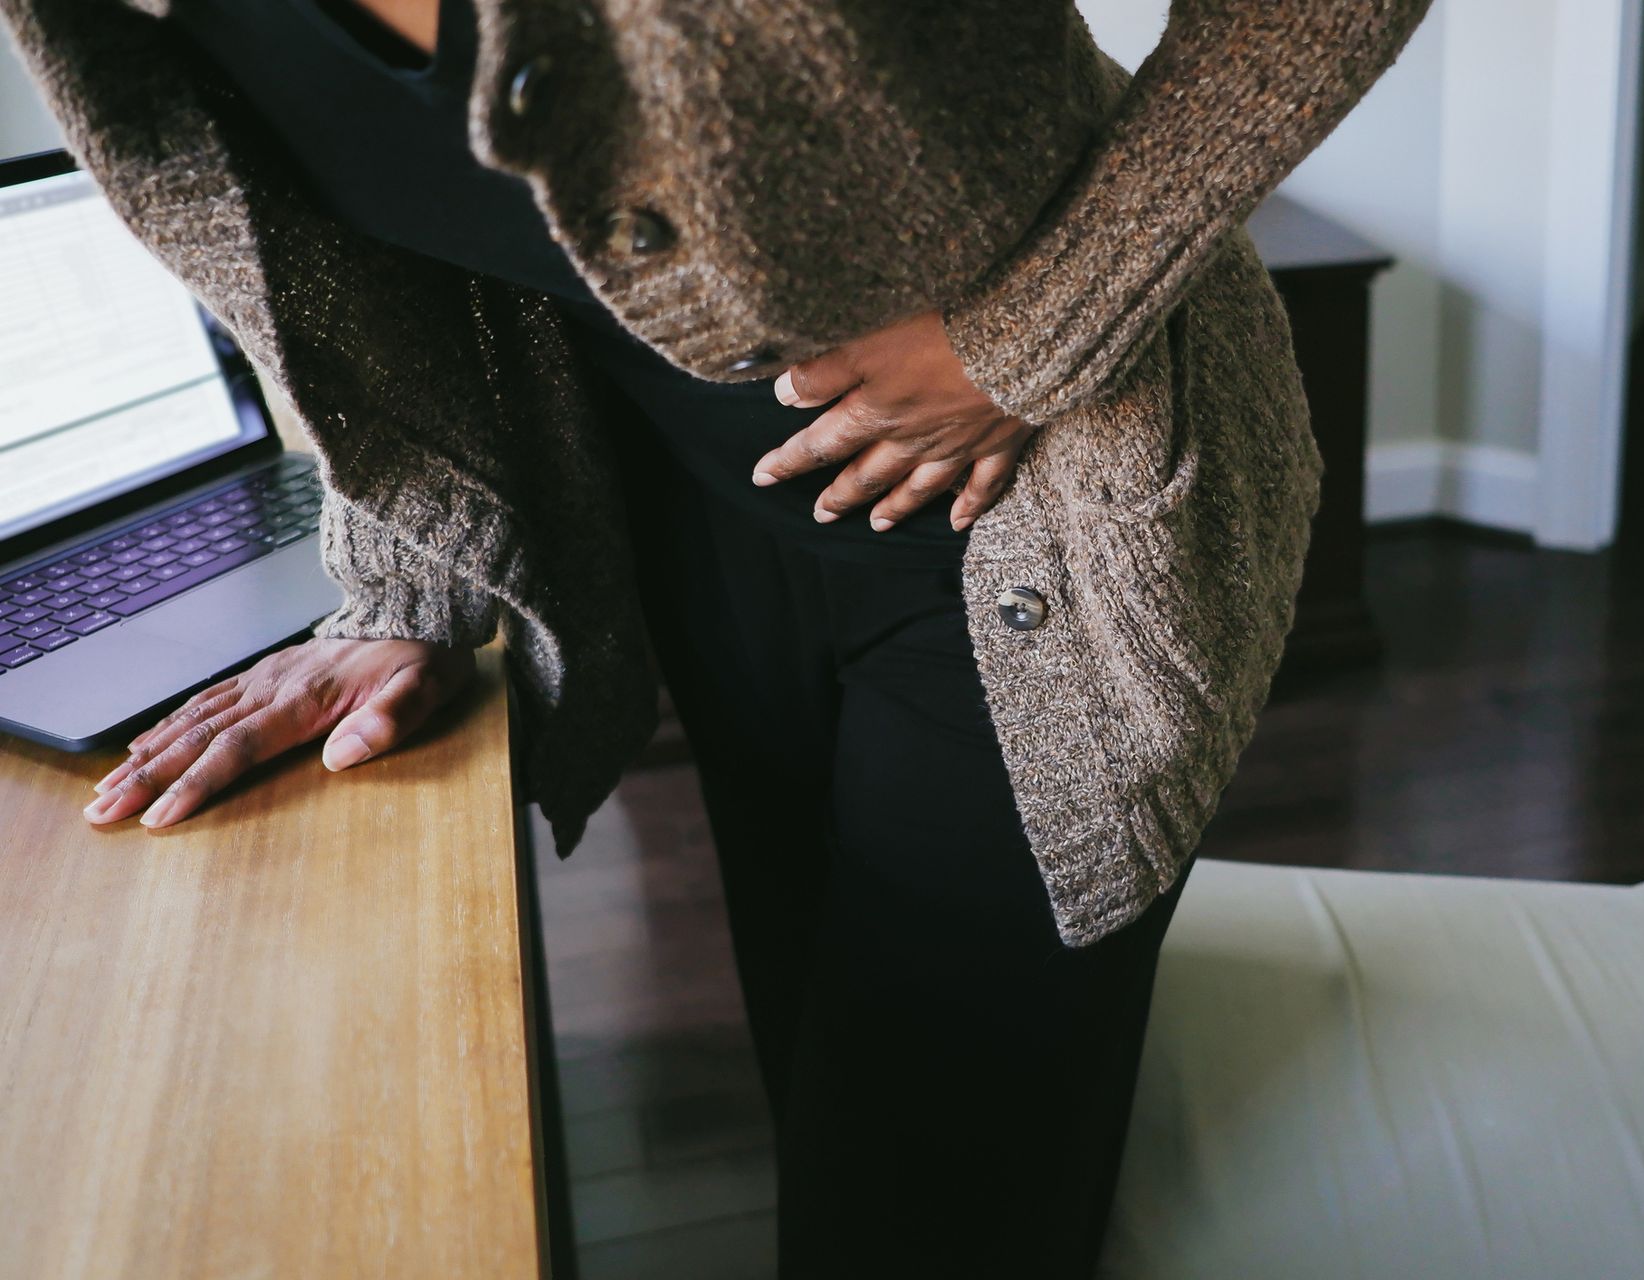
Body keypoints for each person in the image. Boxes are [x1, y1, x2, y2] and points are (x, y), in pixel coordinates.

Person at [6, 0, 1430, 1272]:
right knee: (825, 1078)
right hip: (704, 526)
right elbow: (382, 270)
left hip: (1048, 537)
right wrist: (409, 578)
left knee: (924, 1201)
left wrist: (1028, 332)